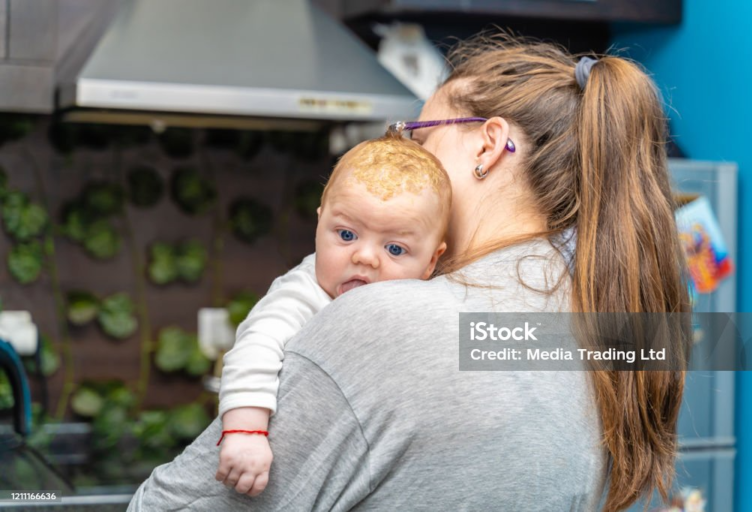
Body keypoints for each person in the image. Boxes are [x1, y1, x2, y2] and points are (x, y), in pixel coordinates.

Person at [127, 34, 689, 512]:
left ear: (489, 146)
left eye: (418, 138)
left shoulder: (391, 323)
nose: (405, 157)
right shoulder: (608, 332)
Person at [215, 133, 451, 496]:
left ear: (431, 262)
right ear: (319, 225)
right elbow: (255, 348)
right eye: (345, 234)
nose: (365, 257)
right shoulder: (303, 293)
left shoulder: (425, 304)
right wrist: (246, 431)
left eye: (394, 248)